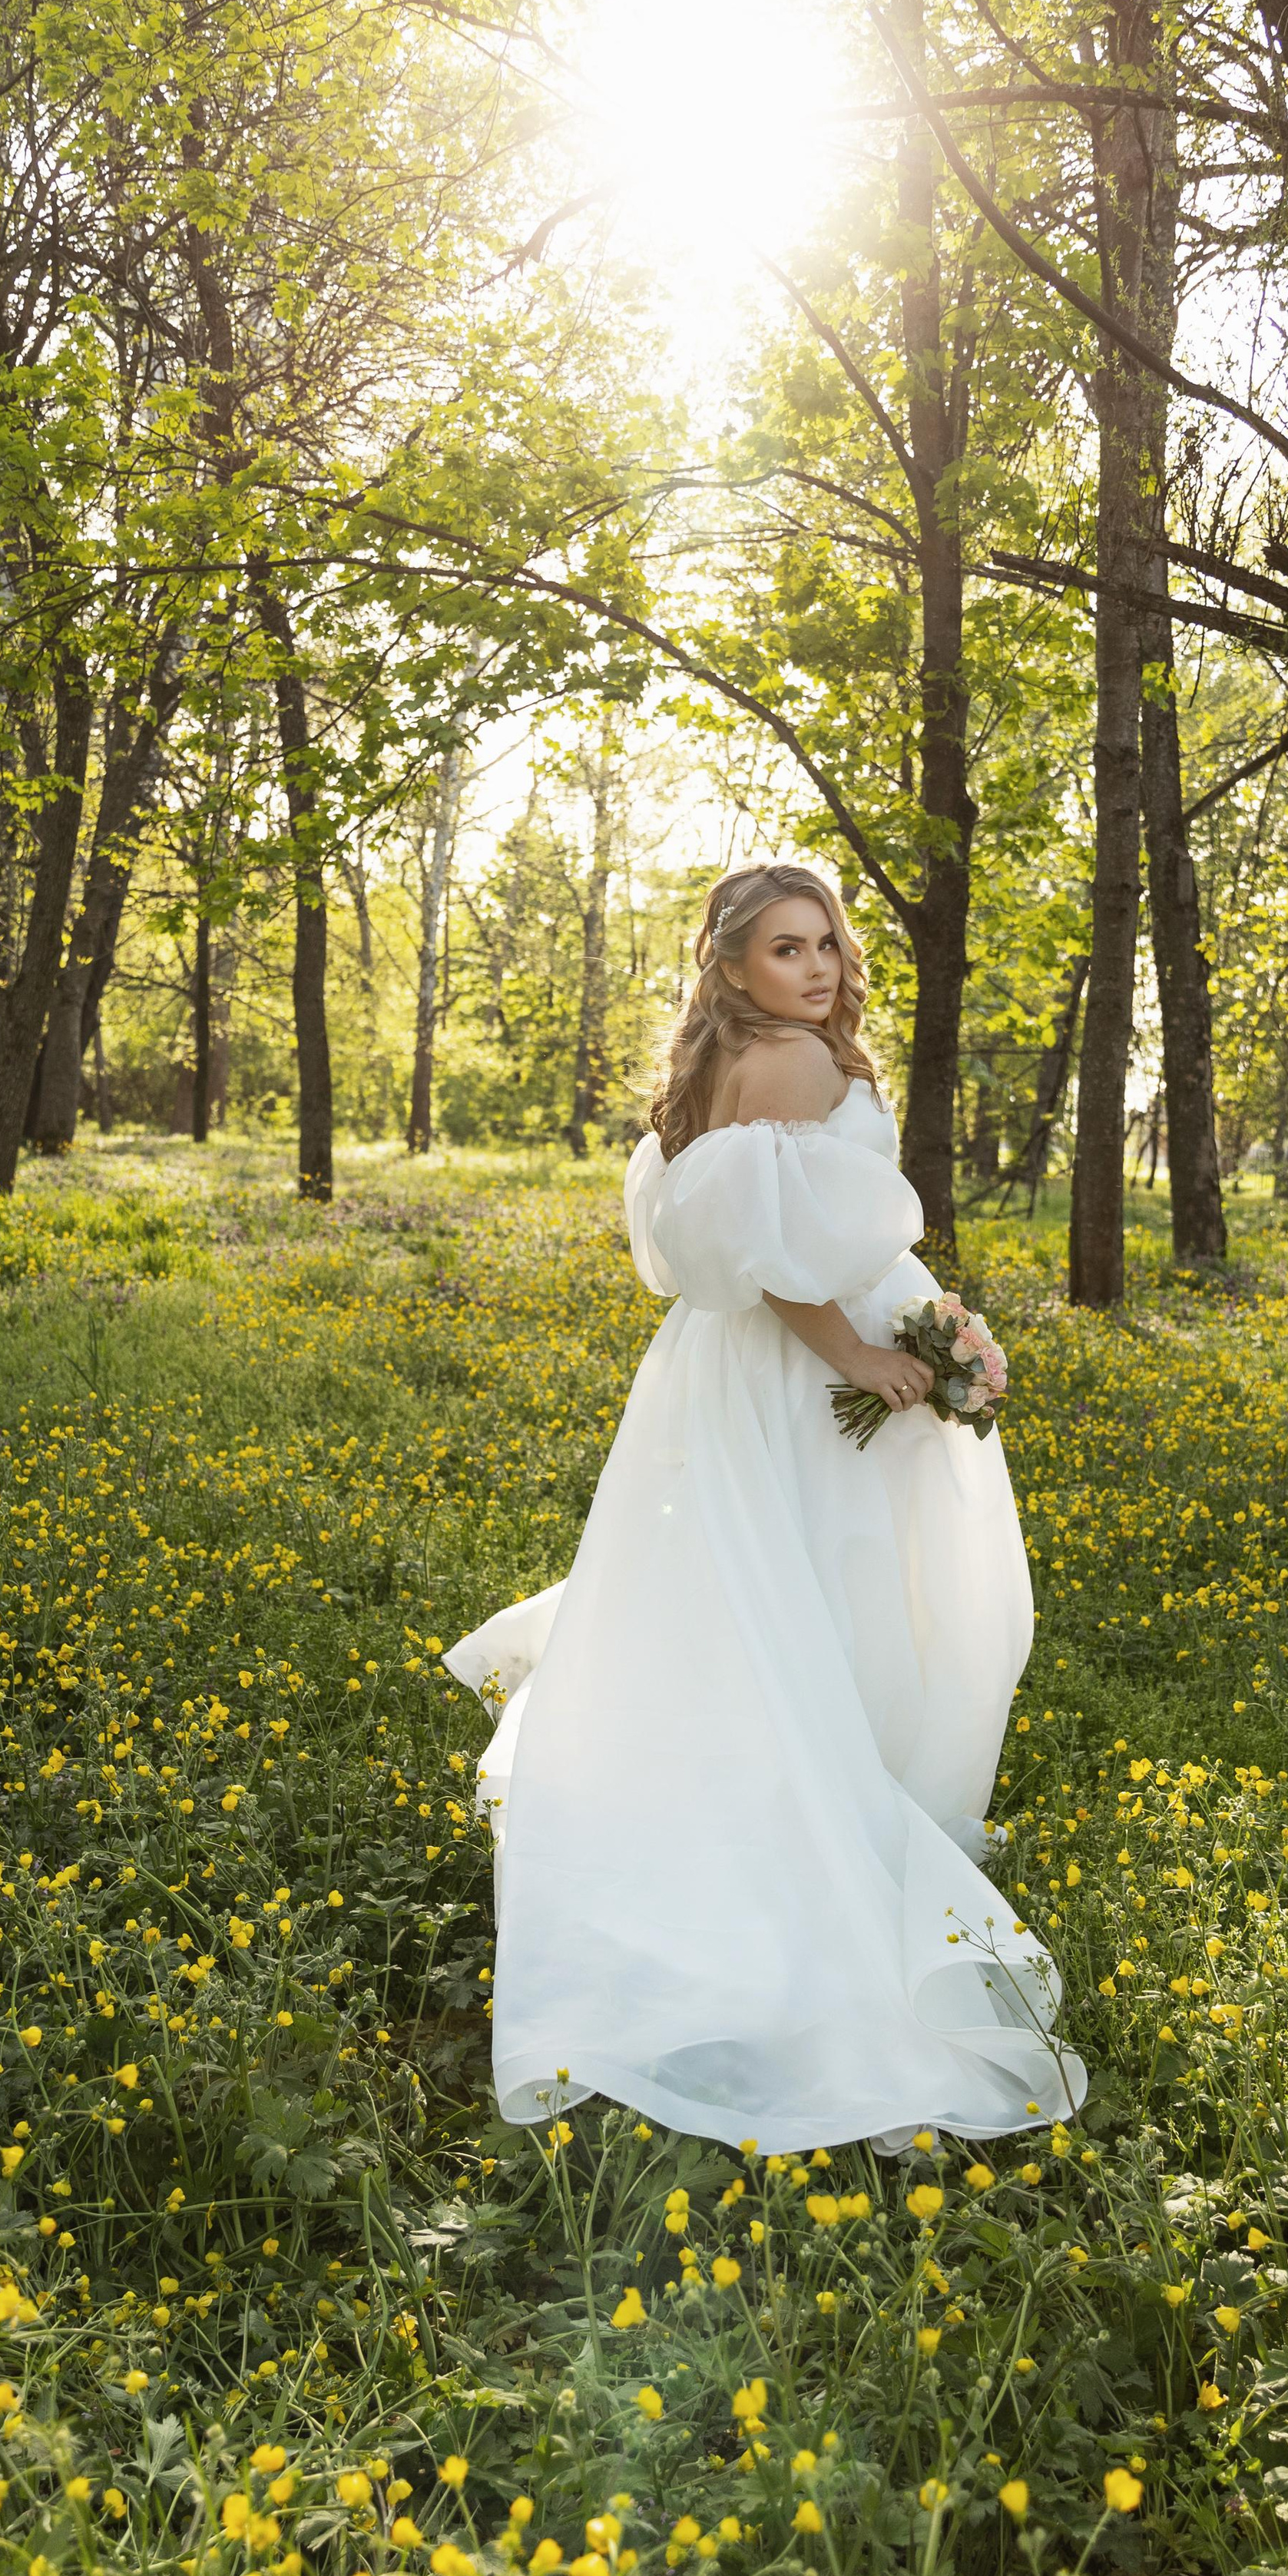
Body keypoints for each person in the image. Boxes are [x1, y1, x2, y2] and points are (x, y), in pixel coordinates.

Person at [442, 861, 1084, 2152]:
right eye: (788, 949)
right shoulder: (788, 1063)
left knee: (751, 1585)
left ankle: (775, 1790)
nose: (820, 969)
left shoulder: (735, 1056)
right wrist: (860, 1356)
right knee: (833, 1580)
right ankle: (827, 1815)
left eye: (829, 944)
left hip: (733, 1363)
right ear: (731, 963)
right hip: (802, 1363)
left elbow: (754, 1233)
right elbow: (776, 1254)